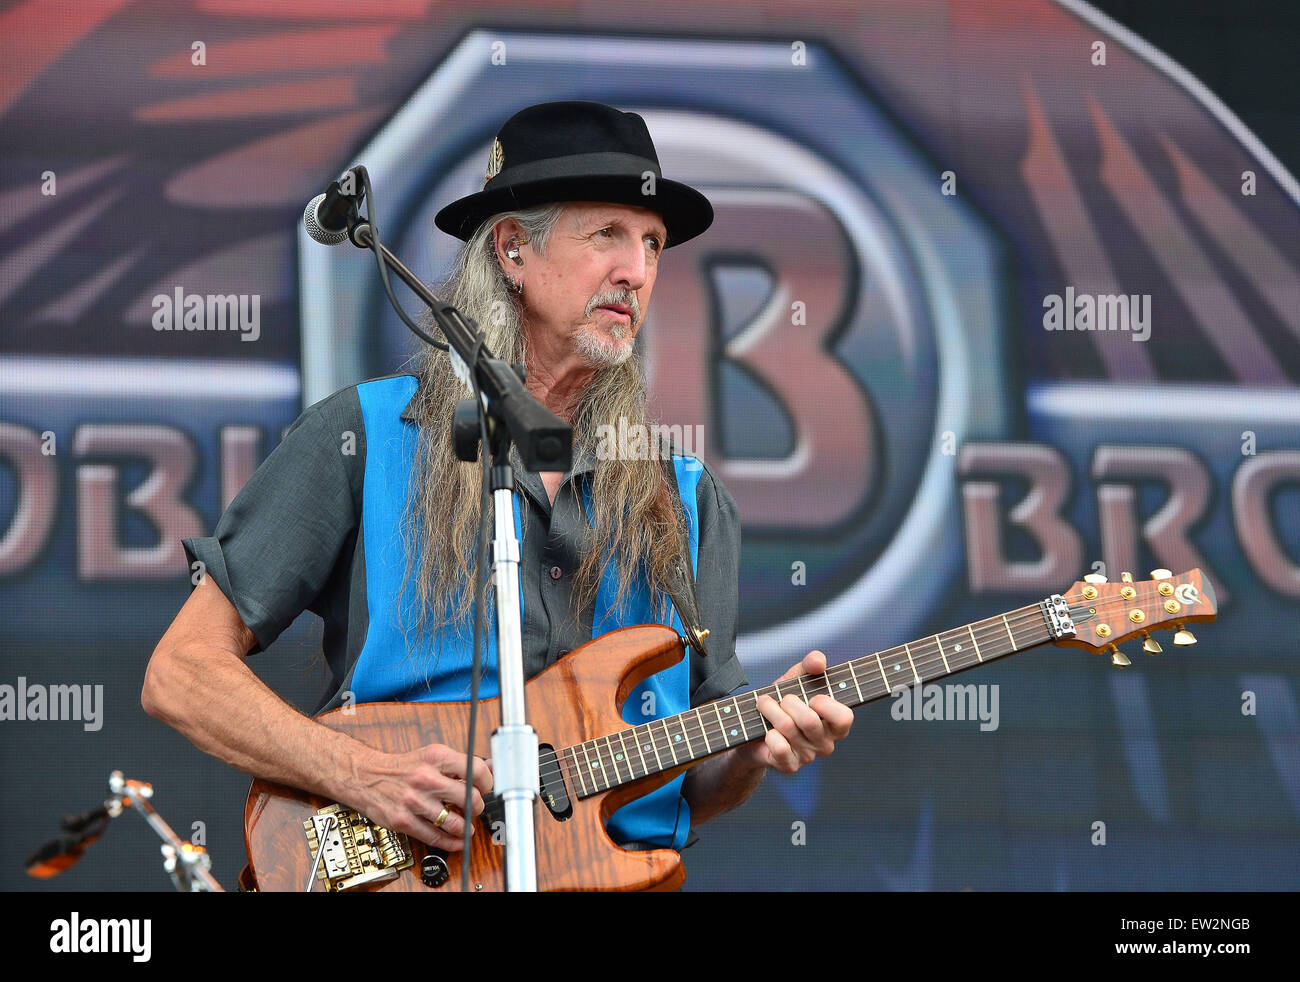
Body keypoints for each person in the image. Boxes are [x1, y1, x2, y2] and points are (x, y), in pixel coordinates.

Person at [141, 101, 853, 868]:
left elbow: (694, 779)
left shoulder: (685, 498)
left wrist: (754, 751)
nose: (638, 271)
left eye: (652, 244)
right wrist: (360, 774)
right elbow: (181, 674)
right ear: (513, 248)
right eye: (607, 234)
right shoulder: (364, 437)